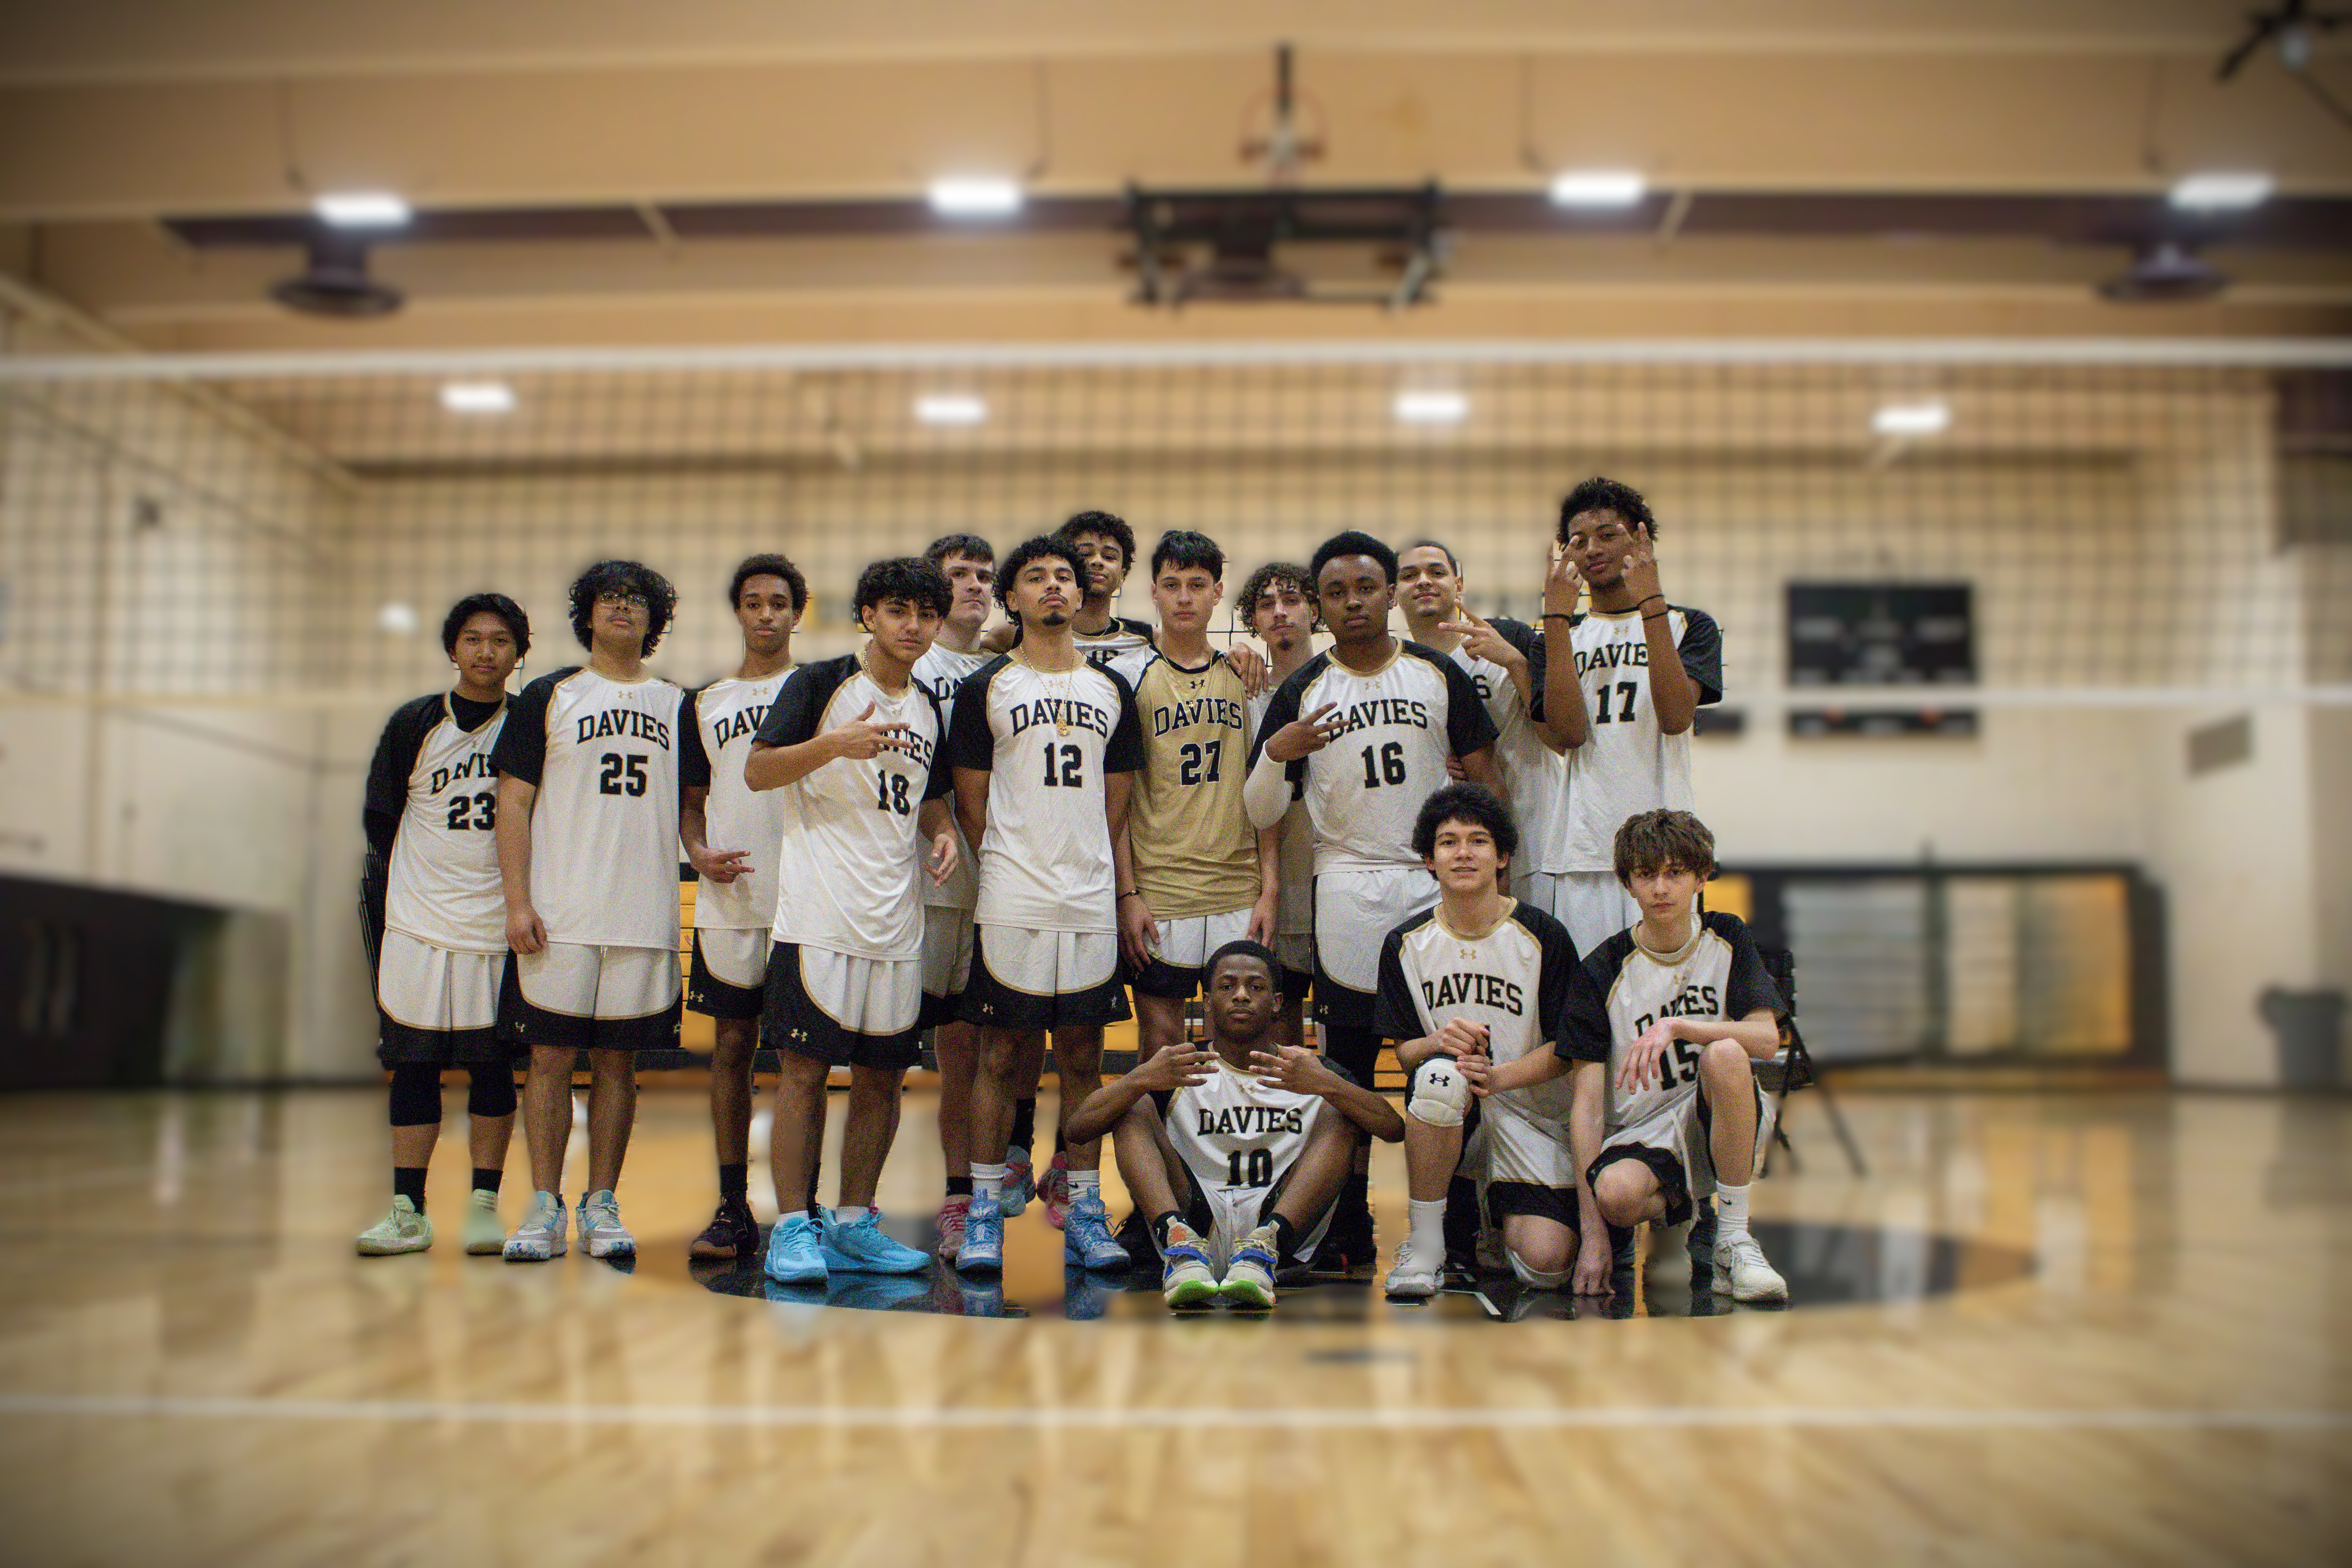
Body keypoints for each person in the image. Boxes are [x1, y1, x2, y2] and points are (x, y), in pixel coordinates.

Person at [1244, 530, 1500, 1268]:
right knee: (1348, 1063)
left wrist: (1484, 880)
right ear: (1321, 605)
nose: (1352, 602)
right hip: (1346, 882)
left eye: (1365, 587)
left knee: (1443, 1057)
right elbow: (1261, 809)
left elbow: (1482, 784)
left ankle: (1450, 1219)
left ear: (1387, 592)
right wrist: (1276, 751)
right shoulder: (1303, 688)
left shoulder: (1435, 672)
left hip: (1429, 882)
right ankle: (1347, 1220)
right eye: (1336, 591)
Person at [746, 557, 961, 1285]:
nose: (913, 625)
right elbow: (758, 770)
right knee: (803, 1074)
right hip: (819, 915)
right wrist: (831, 745)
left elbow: (929, 794)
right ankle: (789, 1230)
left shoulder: (930, 704)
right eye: (897, 610)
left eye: (925, 614)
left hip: (895, 920)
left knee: (882, 1079)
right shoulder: (819, 683)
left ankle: (853, 1224)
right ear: (867, 614)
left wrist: (943, 829)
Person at [1476, 808, 1791, 1304]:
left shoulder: (1728, 936)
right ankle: (1674, 1225)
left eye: (1675, 873)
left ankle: (1733, 1239)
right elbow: (1586, 1107)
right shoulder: (1601, 970)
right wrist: (1594, 1235)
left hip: (1718, 1111)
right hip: (1643, 1132)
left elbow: (1767, 1039)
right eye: (1647, 875)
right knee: (1617, 1195)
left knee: (1727, 1053)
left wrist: (1681, 1026)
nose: (1661, 888)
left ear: (1702, 877)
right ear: (1628, 884)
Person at [947, 535, 1144, 1275]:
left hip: (1088, 897)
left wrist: (1095, 872)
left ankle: (1086, 1204)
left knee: (1086, 1058)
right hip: (1012, 895)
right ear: (1014, 598)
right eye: (1037, 579)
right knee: (999, 1055)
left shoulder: (1109, 690)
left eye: (1065, 576)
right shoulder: (987, 687)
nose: (1055, 587)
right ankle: (983, 1214)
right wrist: (1015, 864)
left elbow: (1114, 804)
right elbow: (973, 804)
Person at [493, 560, 689, 1262]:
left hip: (642, 916)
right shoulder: (546, 696)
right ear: (588, 614)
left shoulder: (677, 703)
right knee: (547, 1060)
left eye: (637, 601)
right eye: (610, 599)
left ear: (653, 620)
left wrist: (707, 851)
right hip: (561, 915)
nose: (622, 610)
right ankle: (543, 1203)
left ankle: (601, 1201)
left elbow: (690, 805)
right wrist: (517, 901)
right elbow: (511, 802)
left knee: (618, 1064)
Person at [1067, 940, 1403, 1309]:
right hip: (1194, 1217)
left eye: (1255, 987)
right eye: (1227, 987)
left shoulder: (1306, 1068)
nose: (1241, 996)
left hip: (1283, 1232)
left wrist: (1328, 1084)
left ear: (1276, 1003)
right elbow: (1078, 1129)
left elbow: (1393, 1128)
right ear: (1209, 1003)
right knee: (1133, 1106)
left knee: (1342, 1112)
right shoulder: (1181, 1066)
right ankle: (1179, 1244)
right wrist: (1139, 1079)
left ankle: (1264, 1246)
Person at [354, 593, 530, 1256]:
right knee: (414, 1065)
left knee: (490, 1068)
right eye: (473, 639)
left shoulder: (530, 725)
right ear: (453, 649)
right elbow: (380, 817)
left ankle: (484, 1205)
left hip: (496, 921)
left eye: (501, 641)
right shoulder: (415, 723)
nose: (486, 652)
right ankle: (408, 1209)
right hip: (419, 920)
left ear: (520, 653)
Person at [1374, 784, 1591, 1300]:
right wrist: (1435, 1041)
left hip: (1532, 1113)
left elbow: (1567, 1048)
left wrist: (1500, 1078)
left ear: (1503, 856)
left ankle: (1494, 1220)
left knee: (1545, 1266)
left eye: (1479, 841)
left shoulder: (1544, 935)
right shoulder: (1405, 943)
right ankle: (1426, 1243)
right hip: (1453, 1109)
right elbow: (1404, 1054)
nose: (1465, 853)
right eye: (1449, 843)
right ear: (1429, 860)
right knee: (1437, 1074)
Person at [1110, 530, 1280, 1073]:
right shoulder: (1127, 678)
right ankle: (1165, 1158)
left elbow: (1267, 792)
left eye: (1197, 585)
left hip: (1235, 886)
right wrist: (1127, 893)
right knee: (1159, 1043)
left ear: (1217, 593)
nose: (1184, 597)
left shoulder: (1247, 678)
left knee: (1237, 1043)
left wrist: (1269, 889)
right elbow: (1117, 800)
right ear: (1154, 594)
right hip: (1159, 889)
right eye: (1172, 585)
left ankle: (1223, 1158)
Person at [1533, 477, 1724, 957]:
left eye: (1607, 534)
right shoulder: (1557, 636)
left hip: (1668, 851)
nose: (1593, 549)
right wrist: (1555, 617)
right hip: (1586, 847)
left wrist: (1651, 601)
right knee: (1593, 1000)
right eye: (1579, 541)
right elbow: (1570, 734)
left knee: (1664, 992)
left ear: (1641, 540)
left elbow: (1677, 717)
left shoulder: (1690, 625)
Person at [679, 554, 805, 1261]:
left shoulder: (818, 689)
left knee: (801, 1063)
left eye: (778, 603)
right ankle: (732, 1205)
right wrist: (696, 853)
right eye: (753, 602)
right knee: (730, 1051)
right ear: (738, 612)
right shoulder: (704, 701)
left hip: (803, 901)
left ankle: (800, 1208)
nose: (766, 614)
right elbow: (691, 807)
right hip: (730, 900)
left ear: (796, 612)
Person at [1395, 541, 1572, 921]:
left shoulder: (1510, 637)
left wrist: (1516, 664)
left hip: (1540, 836)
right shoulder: (1403, 671)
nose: (1423, 582)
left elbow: (1560, 740)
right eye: (1409, 576)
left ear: (1458, 585)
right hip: (1465, 851)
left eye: (1436, 572)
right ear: (1394, 595)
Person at [911, 533, 1002, 1259]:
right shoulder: (911, 664)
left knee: (989, 1048)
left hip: (1004, 883)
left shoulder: (1005, 668)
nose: (973, 585)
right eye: (958, 575)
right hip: (926, 884)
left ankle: (983, 1188)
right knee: (935, 1051)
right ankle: (948, 1194)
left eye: (982, 575)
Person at [1238, 561, 1320, 1051]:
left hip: (1340, 870)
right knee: (1281, 1013)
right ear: (1252, 619)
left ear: (1315, 608)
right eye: (1267, 604)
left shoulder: (1340, 684)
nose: (1281, 612)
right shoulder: (1247, 692)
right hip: (1275, 873)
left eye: (1292, 600)